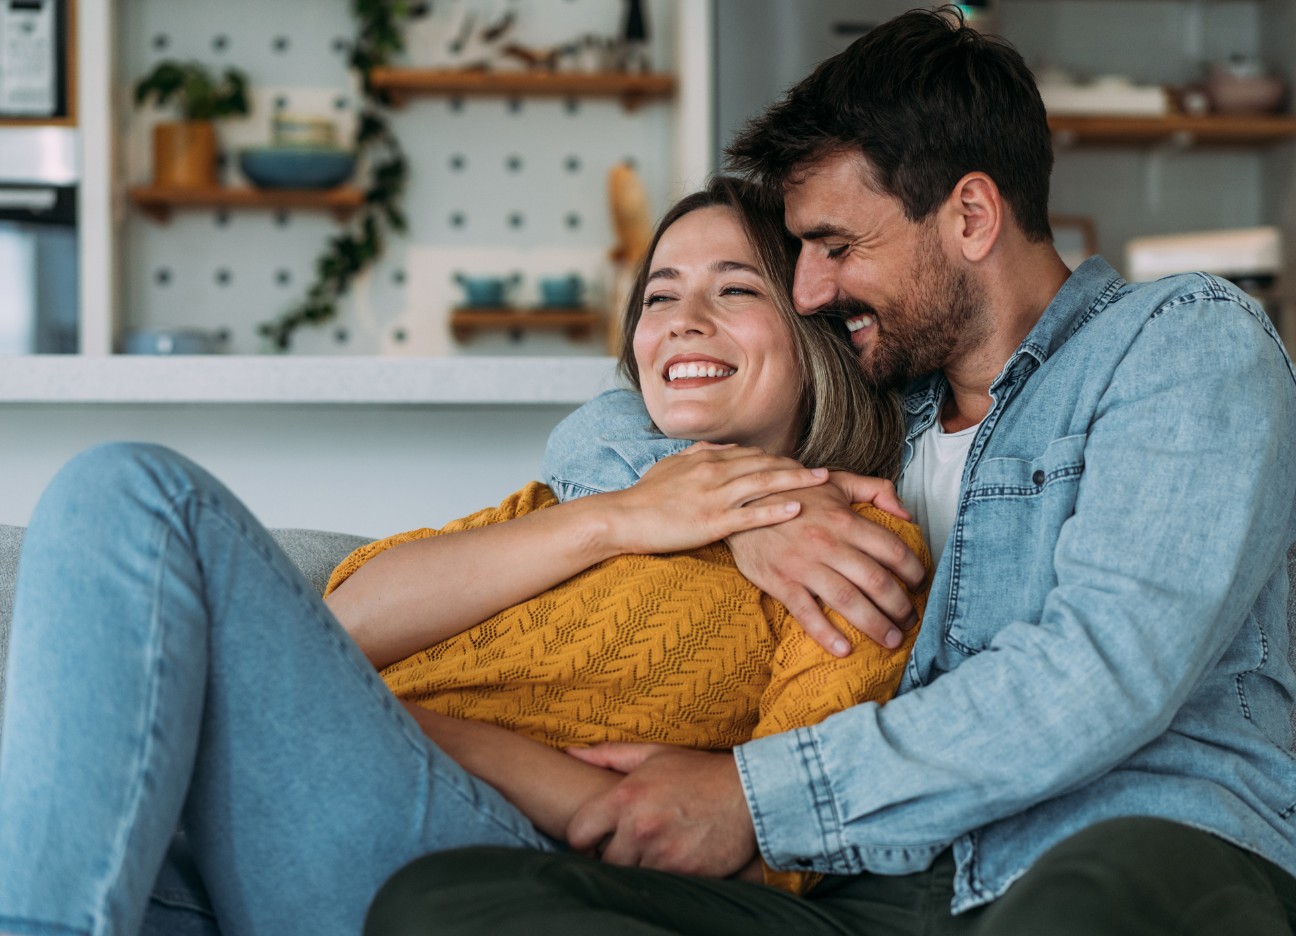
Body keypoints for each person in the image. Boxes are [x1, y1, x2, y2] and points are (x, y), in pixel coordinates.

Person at [365, 7, 1296, 936]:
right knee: (443, 904)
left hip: (1128, 847)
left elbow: (1101, 672)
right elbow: (613, 423)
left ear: (971, 216)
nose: (808, 288)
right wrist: (746, 509)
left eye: (837, 247)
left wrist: (756, 798)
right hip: (889, 885)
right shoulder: (884, 402)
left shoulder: (1182, 344)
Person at [0, 177, 928, 936]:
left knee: (132, 491)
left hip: (476, 861)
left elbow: (779, 838)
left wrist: (433, 736)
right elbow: (333, 630)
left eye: (735, 287)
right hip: (258, 839)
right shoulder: (566, 503)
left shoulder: (845, 546)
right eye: (658, 295)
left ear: (817, 336)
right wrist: (618, 519)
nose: (683, 318)